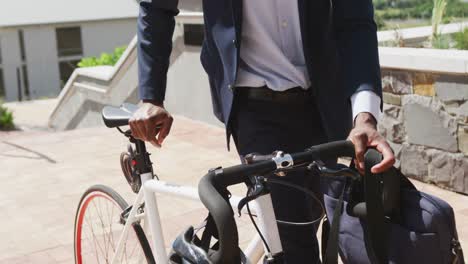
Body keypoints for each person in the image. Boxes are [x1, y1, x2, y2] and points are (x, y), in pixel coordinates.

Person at [129, 0, 395, 262]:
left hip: (323, 105)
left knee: (310, 220)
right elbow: (157, 7)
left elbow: (355, 19)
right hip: (255, 109)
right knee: (297, 248)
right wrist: (151, 97)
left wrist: (365, 116)